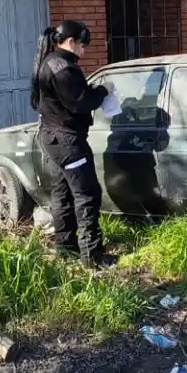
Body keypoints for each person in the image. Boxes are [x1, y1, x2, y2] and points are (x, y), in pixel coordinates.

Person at [30, 20, 114, 269]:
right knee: (87, 194)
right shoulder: (63, 68)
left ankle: (65, 248)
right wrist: (103, 92)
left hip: (53, 138)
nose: (84, 51)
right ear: (70, 42)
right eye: (82, 45)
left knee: (62, 194)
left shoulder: (46, 62)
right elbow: (81, 102)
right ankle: (92, 255)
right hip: (68, 141)